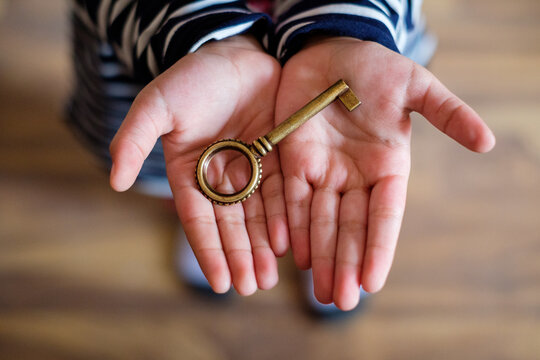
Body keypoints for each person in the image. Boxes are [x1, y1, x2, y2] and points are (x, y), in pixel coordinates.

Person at [68, 0, 495, 314]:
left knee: (334, 182)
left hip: (358, 39)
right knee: (174, 160)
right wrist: (204, 33)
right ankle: (198, 212)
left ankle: (317, 235)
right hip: (161, 53)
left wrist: (342, 27)